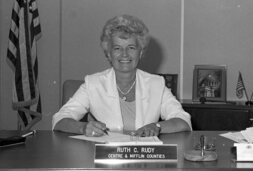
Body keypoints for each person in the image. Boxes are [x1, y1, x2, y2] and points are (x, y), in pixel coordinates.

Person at [52, 14, 192, 137]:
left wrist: (158, 127)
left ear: (140, 52)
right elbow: (59, 120)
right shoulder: (92, 84)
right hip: (105, 160)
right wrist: (83, 127)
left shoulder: (156, 84)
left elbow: (183, 120)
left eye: (131, 47)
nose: (124, 54)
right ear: (108, 53)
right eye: (117, 48)